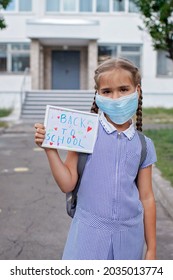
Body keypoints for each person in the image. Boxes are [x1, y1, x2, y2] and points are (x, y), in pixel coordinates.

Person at [34, 57, 157, 260]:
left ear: (137, 91)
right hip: (87, 238)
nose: (116, 98)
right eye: (107, 91)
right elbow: (67, 184)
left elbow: (147, 197)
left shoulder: (144, 145)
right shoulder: (83, 131)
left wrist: (151, 248)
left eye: (124, 89)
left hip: (130, 241)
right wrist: (50, 149)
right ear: (97, 95)